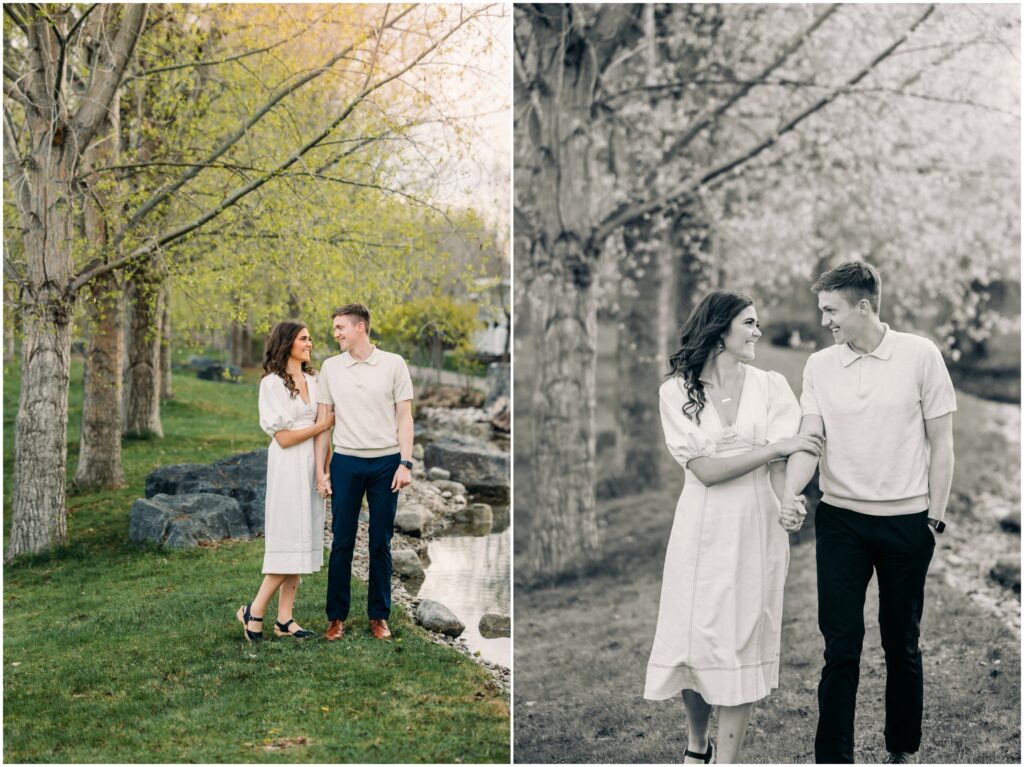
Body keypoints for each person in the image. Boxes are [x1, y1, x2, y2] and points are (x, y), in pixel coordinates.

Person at [779, 261, 956, 764]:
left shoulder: (921, 356)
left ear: (863, 306)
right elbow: (810, 440)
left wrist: (934, 520)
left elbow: (942, 444)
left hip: (907, 522)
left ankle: (902, 751)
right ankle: (834, 758)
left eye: (831, 310)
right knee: (841, 646)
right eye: (822, 310)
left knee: (902, 643)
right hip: (841, 523)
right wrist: (793, 493)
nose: (825, 321)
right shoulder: (819, 366)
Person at [644, 290, 824, 764]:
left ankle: (725, 762)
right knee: (696, 638)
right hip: (700, 530)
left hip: (756, 528)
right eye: (748, 323)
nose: (757, 332)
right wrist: (771, 449)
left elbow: (790, 458)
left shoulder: (771, 386)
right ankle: (696, 745)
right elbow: (704, 470)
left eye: (756, 323)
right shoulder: (676, 391)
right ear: (720, 329)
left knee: (741, 637)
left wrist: (789, 500)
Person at [314, 304, 414, 641]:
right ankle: (336, 617)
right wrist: (321, 470)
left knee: (380, 543)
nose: (336, 334)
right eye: (334, 329)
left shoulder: (394, 364)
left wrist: (406, 462)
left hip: (386, 463)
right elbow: (323, 423)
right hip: (346, 462)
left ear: (361, 327)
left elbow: (405, 417)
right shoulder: (330, 368)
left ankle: (378, 616)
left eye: (341, 327)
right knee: (341, 541)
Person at [237, 320, 335, 641]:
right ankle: (254, 610)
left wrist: (325, 469)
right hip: (287, 465)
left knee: (303, 541)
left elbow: (326, 428)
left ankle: (284, 619)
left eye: (309, 339)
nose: (309, 343)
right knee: (287, 540)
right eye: (303, 338)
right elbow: (283, 438)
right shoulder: (272, 384)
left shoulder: (315, 379)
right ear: (287, 343)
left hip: (312, 466)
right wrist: (322, 427)